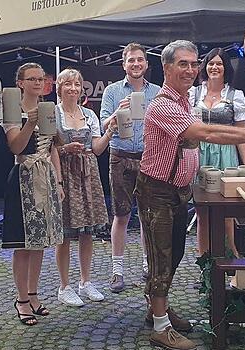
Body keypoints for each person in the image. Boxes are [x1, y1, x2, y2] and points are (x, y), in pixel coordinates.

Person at [138, 40, 245, 350]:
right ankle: (160, 327)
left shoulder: (182, 101)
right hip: (157, 192)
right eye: (183, 64)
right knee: (162, 256)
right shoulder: (163, 104)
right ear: (166, 68)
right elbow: (206, 133)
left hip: (177, 190)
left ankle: (157, 310)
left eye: (194, 64)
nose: (191, 70)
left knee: (174, 252)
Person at [2, 63, 65, 325]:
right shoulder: (13, 109)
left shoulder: (49, 108)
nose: (38, 83)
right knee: (23, 244)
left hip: (46, 176)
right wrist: (31, 122)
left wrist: (59, 182)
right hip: (23, 175)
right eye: (33, 79)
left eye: (41, 79)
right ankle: (21, 299)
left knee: (40, 242)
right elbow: (15, 147)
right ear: (21, 82)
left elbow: (53, 148)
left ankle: (33, 293)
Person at [99, 43, 160, 293]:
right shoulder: (113, 91)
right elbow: (103, 124)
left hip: (148, 157)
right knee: (121, 215)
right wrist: (117, 112)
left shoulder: (157, 92)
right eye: (131, 60)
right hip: (120, 156)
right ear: (124, 64)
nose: (136, 64)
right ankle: (117, 271)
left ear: (146, 64)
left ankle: (148, 265)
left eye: (140, 60)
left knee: (148, 217)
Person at [54, 68, 113, 306]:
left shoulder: (89, 114)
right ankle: (64, 286)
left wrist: (110, 131)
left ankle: (85, 281)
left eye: (77, 84)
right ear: (59, 88)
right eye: (67, 84)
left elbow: (97, 149)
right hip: (65, 172)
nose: (73, 88)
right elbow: (47, 148)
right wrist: (64, 150)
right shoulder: (54, 114)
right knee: (65, 233)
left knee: (87, 231)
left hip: (88, 173)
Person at [189, 48, 245, 256]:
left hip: (226, 154)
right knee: (202, 211)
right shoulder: (193, 93)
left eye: (219, 64)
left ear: (226, 68)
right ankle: (204, 258)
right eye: (211, 63)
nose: (215, 67)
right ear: (205, 67)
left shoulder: (235, 95)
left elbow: (242, 134)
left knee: (227, 211)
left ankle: (231, 254)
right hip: (199, 154)